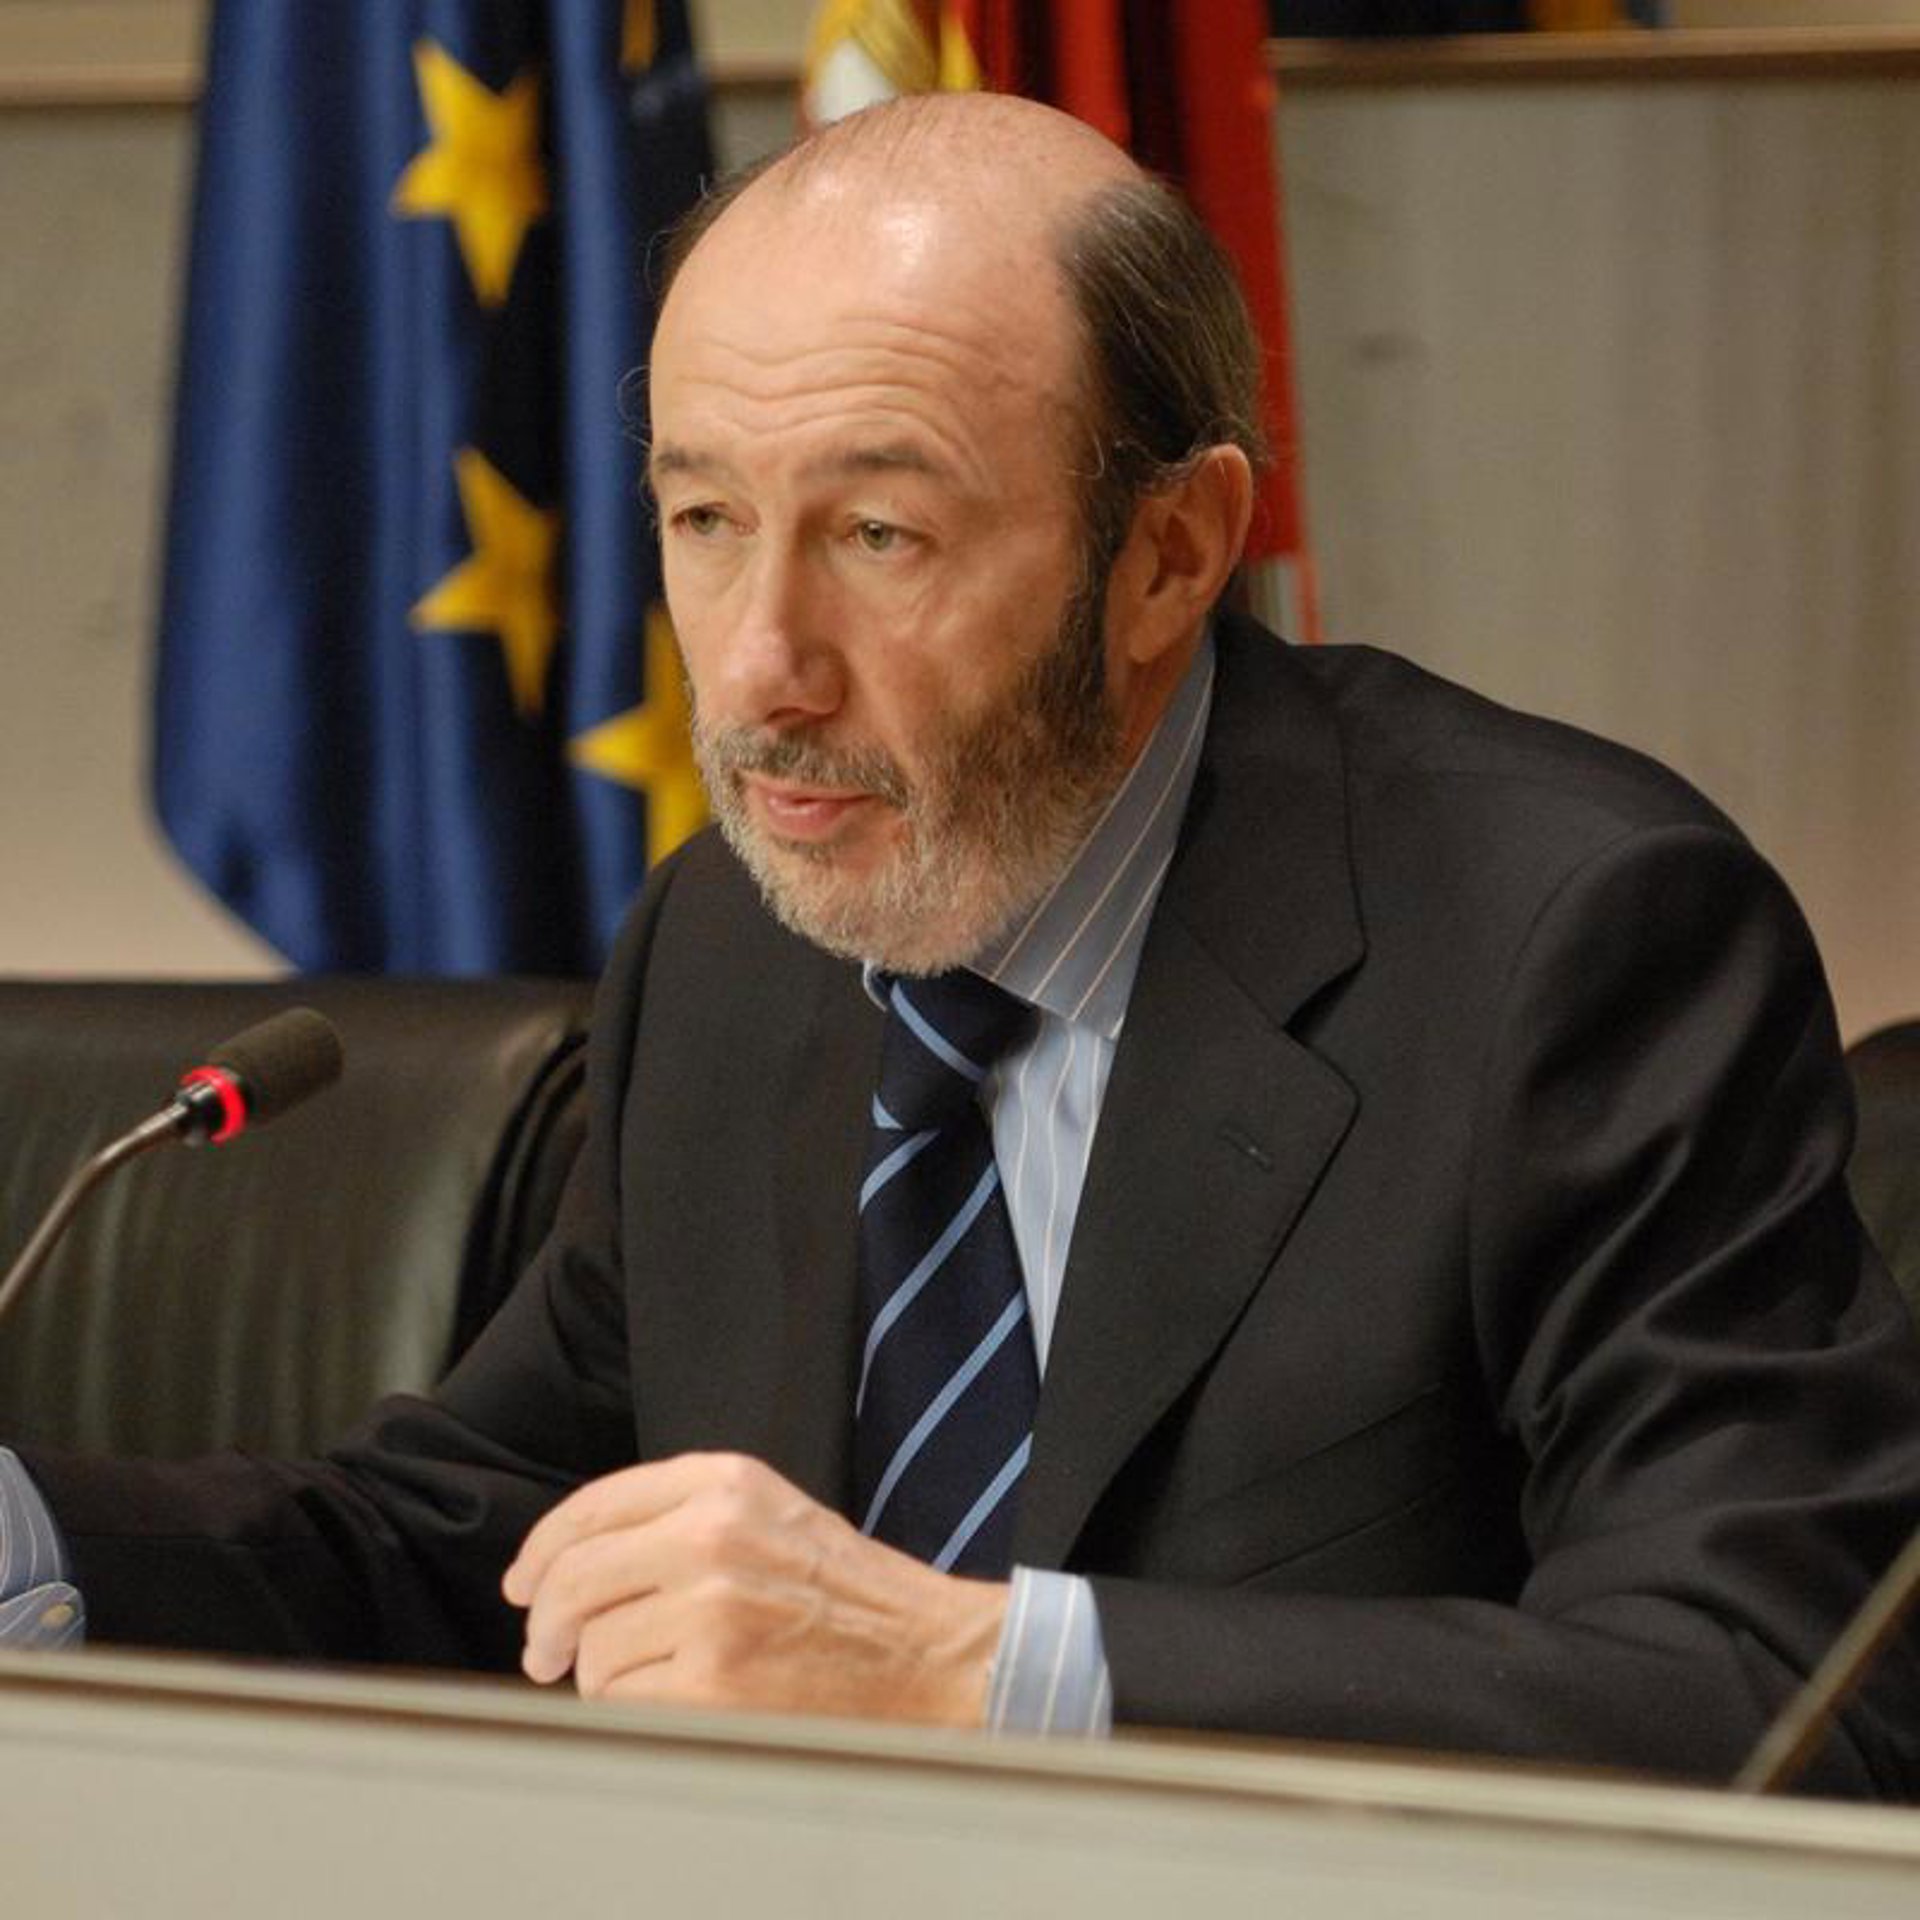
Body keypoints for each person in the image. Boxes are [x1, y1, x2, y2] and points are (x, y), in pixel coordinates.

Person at [4, 93, 1918, 1795]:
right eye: (704, 517)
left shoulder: (1568, 946)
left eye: (880, 537)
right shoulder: (735, 943)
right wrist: (31, 1542)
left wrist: (978, 1674)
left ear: (1170, 553)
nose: (760, 669)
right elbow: (494, 1540)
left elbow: (1781, 1694)